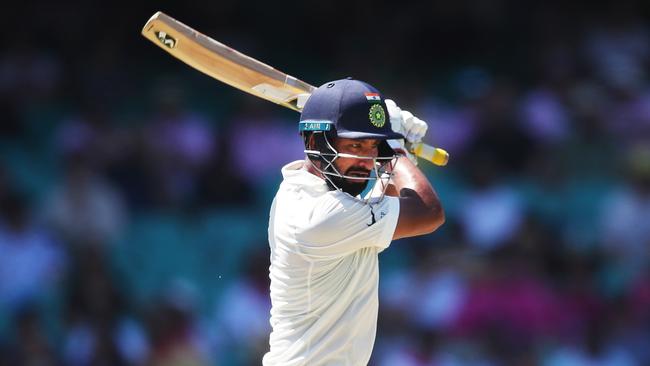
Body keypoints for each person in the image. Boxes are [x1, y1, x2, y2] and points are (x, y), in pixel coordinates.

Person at [263, 78, 445, 365]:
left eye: (373, 146)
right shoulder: (321, 215)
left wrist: (394, 145)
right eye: (357, 144)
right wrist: (394, 149)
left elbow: (391, 192)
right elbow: (428, 212)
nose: (366, 158)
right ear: (314, 141)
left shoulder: (319, 190)